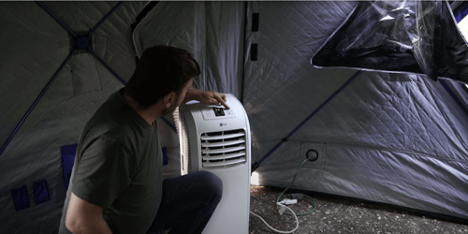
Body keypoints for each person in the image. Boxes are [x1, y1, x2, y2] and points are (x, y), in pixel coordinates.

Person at [59, 45, 229, 234]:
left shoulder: (136, 100)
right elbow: (78, 222)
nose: (187, 93)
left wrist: (195, 95)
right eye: (186, 90)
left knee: (207, 187)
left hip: (145, 210)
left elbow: (162, 94)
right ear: (169, 99)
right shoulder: (115, 141)